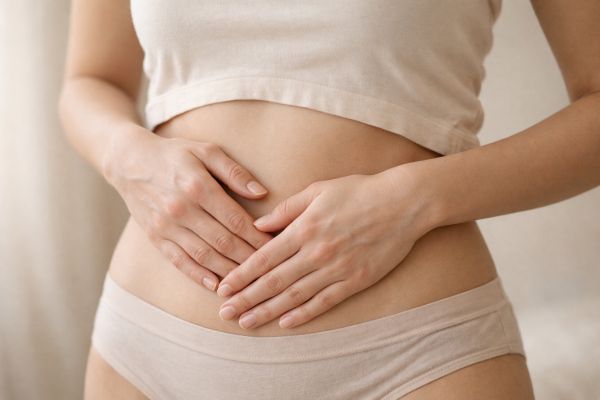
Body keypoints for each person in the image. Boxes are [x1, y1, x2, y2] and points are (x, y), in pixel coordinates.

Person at [58, 0, 599, 398]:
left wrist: (413, 198)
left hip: (414, 360)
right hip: (149, 354)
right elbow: (90, 80)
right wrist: (127, 155)